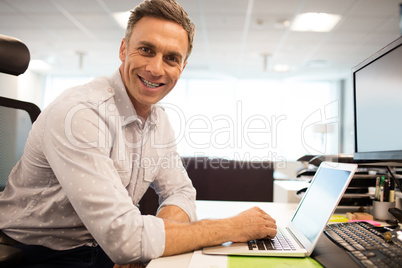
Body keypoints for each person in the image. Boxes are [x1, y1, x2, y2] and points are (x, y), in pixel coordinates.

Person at [0, 0, 277, 267]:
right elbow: (126, 240)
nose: (156, 68)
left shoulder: (159, 121)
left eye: (171, 58)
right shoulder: (80, 114)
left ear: (182, 67)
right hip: (36, 253)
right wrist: (231, 227)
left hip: (103, 249)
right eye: (146, 50)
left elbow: (180, 192)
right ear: (123, 49)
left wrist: (148, 243)